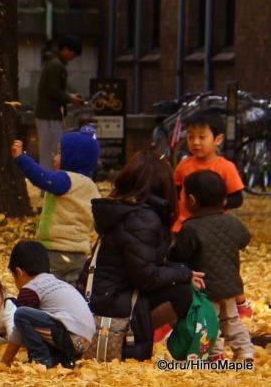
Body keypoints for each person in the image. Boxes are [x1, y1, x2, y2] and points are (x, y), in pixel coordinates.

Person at [87, 151, 204, 360]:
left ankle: (142, 330)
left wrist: (181, 272)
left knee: (181, 285)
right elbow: (146, 276)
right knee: (182, 294)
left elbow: (144, 266)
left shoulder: (127, 209)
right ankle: (130, 334)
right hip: (113, 299)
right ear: (162, 182)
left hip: (107, 293)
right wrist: (183, 274)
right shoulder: (143, 218)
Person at [172, 111, 251, 318]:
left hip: (213, 230)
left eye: (201, 136)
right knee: (184, 266)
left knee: (220, 267)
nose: (195, 142)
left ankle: (237, 301)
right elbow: (176, 191)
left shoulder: (225, 167)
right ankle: (186, 307)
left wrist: (219, 203)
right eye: (190, 137)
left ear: (217, 139)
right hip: (184, 225)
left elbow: (237, 198)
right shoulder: (183, 165)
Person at [169, 170, 254, 361]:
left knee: (209, 322)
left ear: (191, 200)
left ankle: (215, 355)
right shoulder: (232, 222)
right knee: (231, 320)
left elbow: (178, 255)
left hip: (206, 287)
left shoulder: (190, 228)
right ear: (224, 200)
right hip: (231, 284)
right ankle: (245, 350)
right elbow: (244, 239)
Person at [11, 126, 101, 285]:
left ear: (73, 157)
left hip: (56, 251)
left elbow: (42, 178)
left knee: (48, 289)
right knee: (72, 290)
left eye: (60, 152)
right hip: (79, 252)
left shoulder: (66, 180)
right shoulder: (91, 187)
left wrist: (22, 159)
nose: (54, 155)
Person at [0, 241, 95, 369]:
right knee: (47, 319)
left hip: (71, 336)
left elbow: (19, 329)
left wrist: (5, 361)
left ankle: (40, 360)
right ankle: (61, 360)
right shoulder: (57, 282)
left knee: (21, 314)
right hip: (86, 338)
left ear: (18, 272)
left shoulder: (30, 289)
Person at [34, 37, 84, 170]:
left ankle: (47, 182)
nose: (73, 57)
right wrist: (70, 98)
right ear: (66, 50)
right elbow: (53, 90)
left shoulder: (53, 64)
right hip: (49, 115)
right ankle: (47, 183)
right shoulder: (56, 65)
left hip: (49, 114)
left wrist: (69, 96)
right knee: (50, 151)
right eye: (73, 53)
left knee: (50, 150)